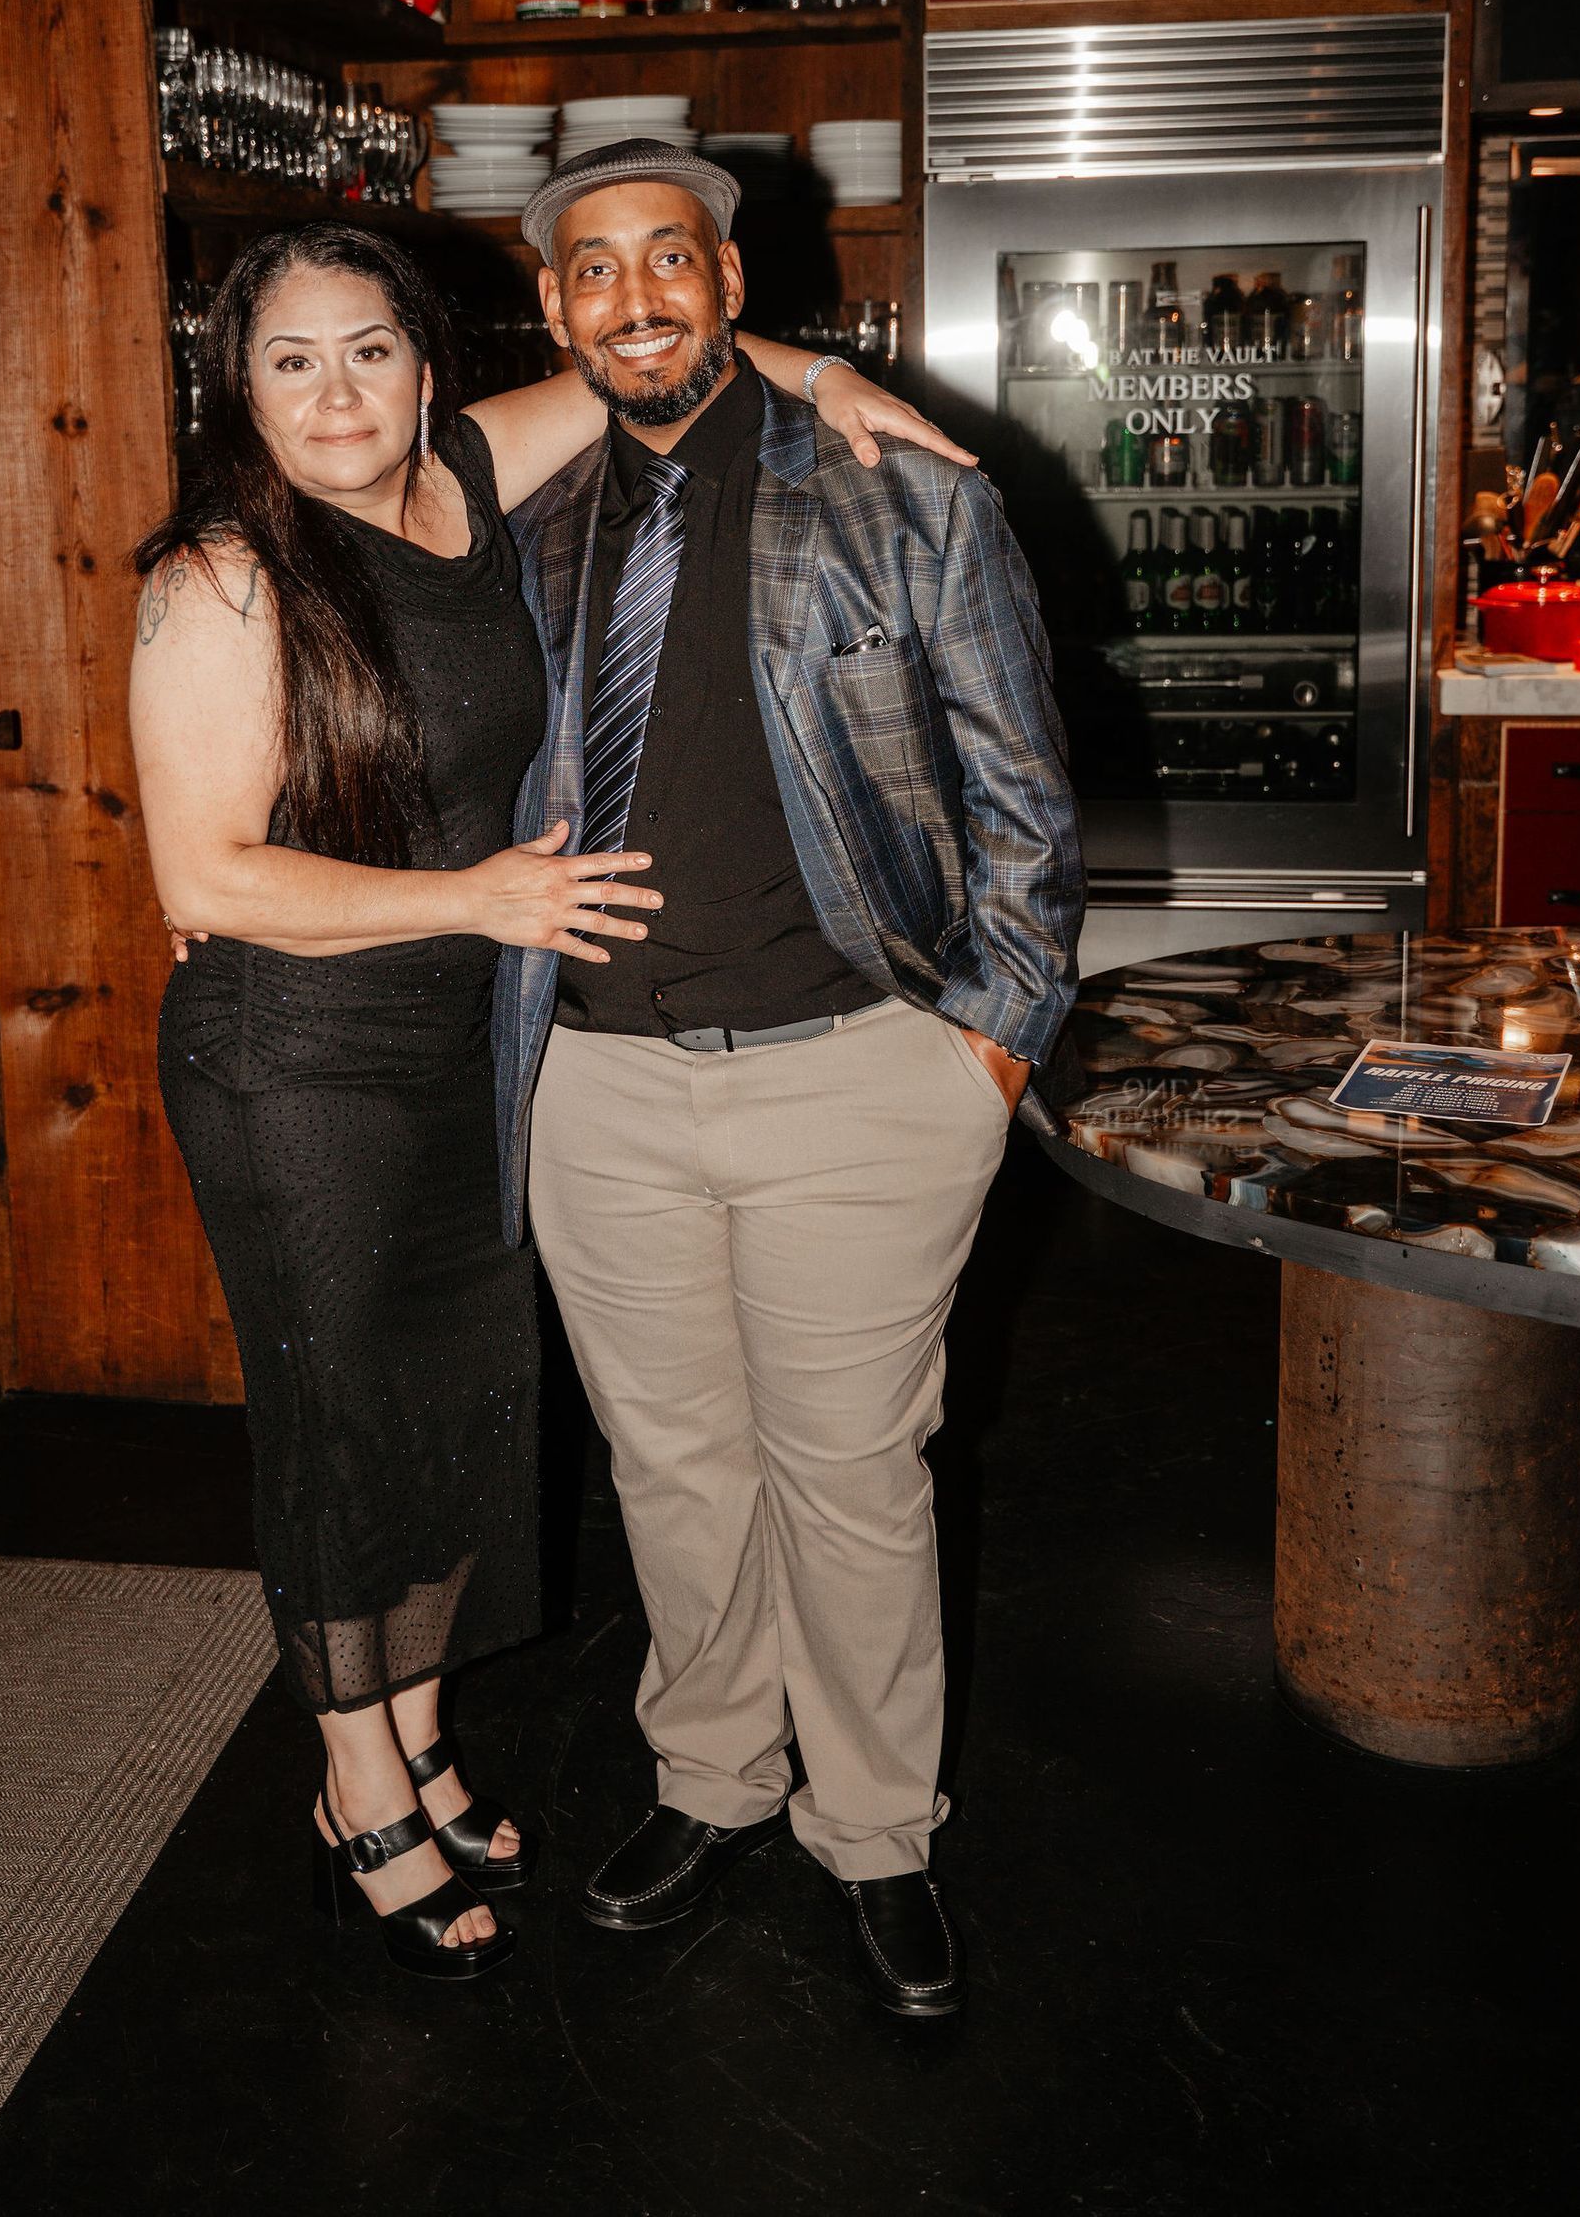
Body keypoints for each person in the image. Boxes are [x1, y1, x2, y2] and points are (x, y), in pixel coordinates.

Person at [128, 218, 968, 1985]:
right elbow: (202, 879)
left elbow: (641, 363)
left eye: (368, 349)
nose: (337, 392)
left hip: (463, 1055)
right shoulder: (221, 574)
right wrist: (479, 900)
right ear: (238, 393)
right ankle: (359, 1784)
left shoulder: (453, 479)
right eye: (290, 362)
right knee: (344, 1431)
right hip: (298, 1068)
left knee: (449, 1410)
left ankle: (418, 1731)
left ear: (428, 365)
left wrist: (822, 369)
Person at [493, 142, 1085, 2020]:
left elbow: (1022, 799)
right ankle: (714, 1781)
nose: (638, 295)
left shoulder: (897, 491)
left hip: (864, 1072)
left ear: (736, 286)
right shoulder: (528, 518)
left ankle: (880, 1832)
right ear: (553, 310)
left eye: (673, 259)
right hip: (595, 1087)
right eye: (596, 269)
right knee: (673, 1470)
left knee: (850, 1476)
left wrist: (985, 1043)